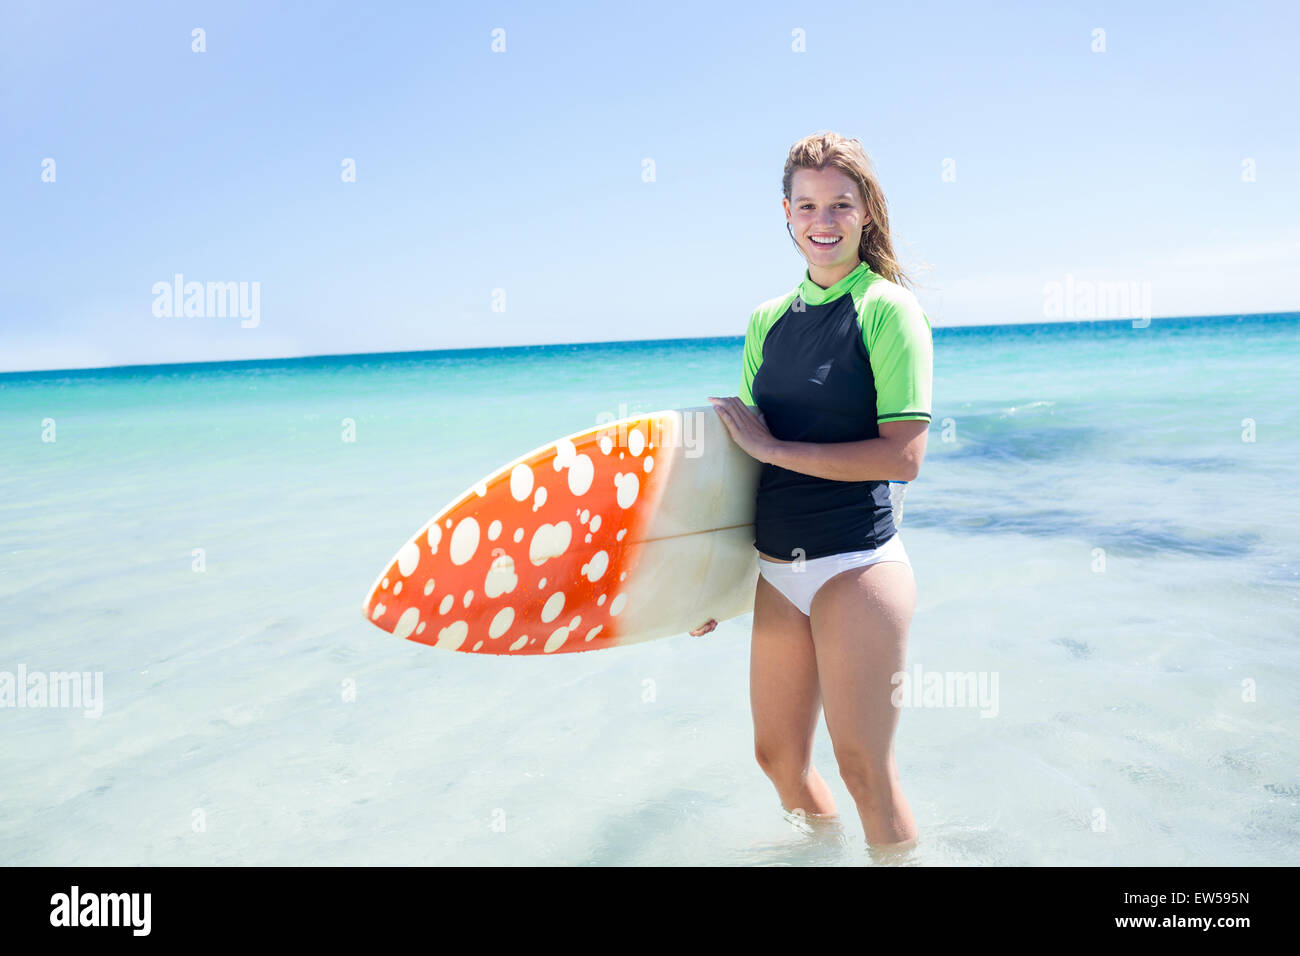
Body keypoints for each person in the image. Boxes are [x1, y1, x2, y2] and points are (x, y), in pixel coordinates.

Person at [702, 130, 933, 852]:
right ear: (786, 213)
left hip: (855, 565)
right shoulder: (766, 321)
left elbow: (904, 456)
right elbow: (740, 461)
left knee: (863, 766)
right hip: (777, 569)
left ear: (866, 212)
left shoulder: (888, 309)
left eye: (839, 203)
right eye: (807, 205)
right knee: (777, 759)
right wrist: (702, 584)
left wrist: (776, 448)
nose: (822, 221)